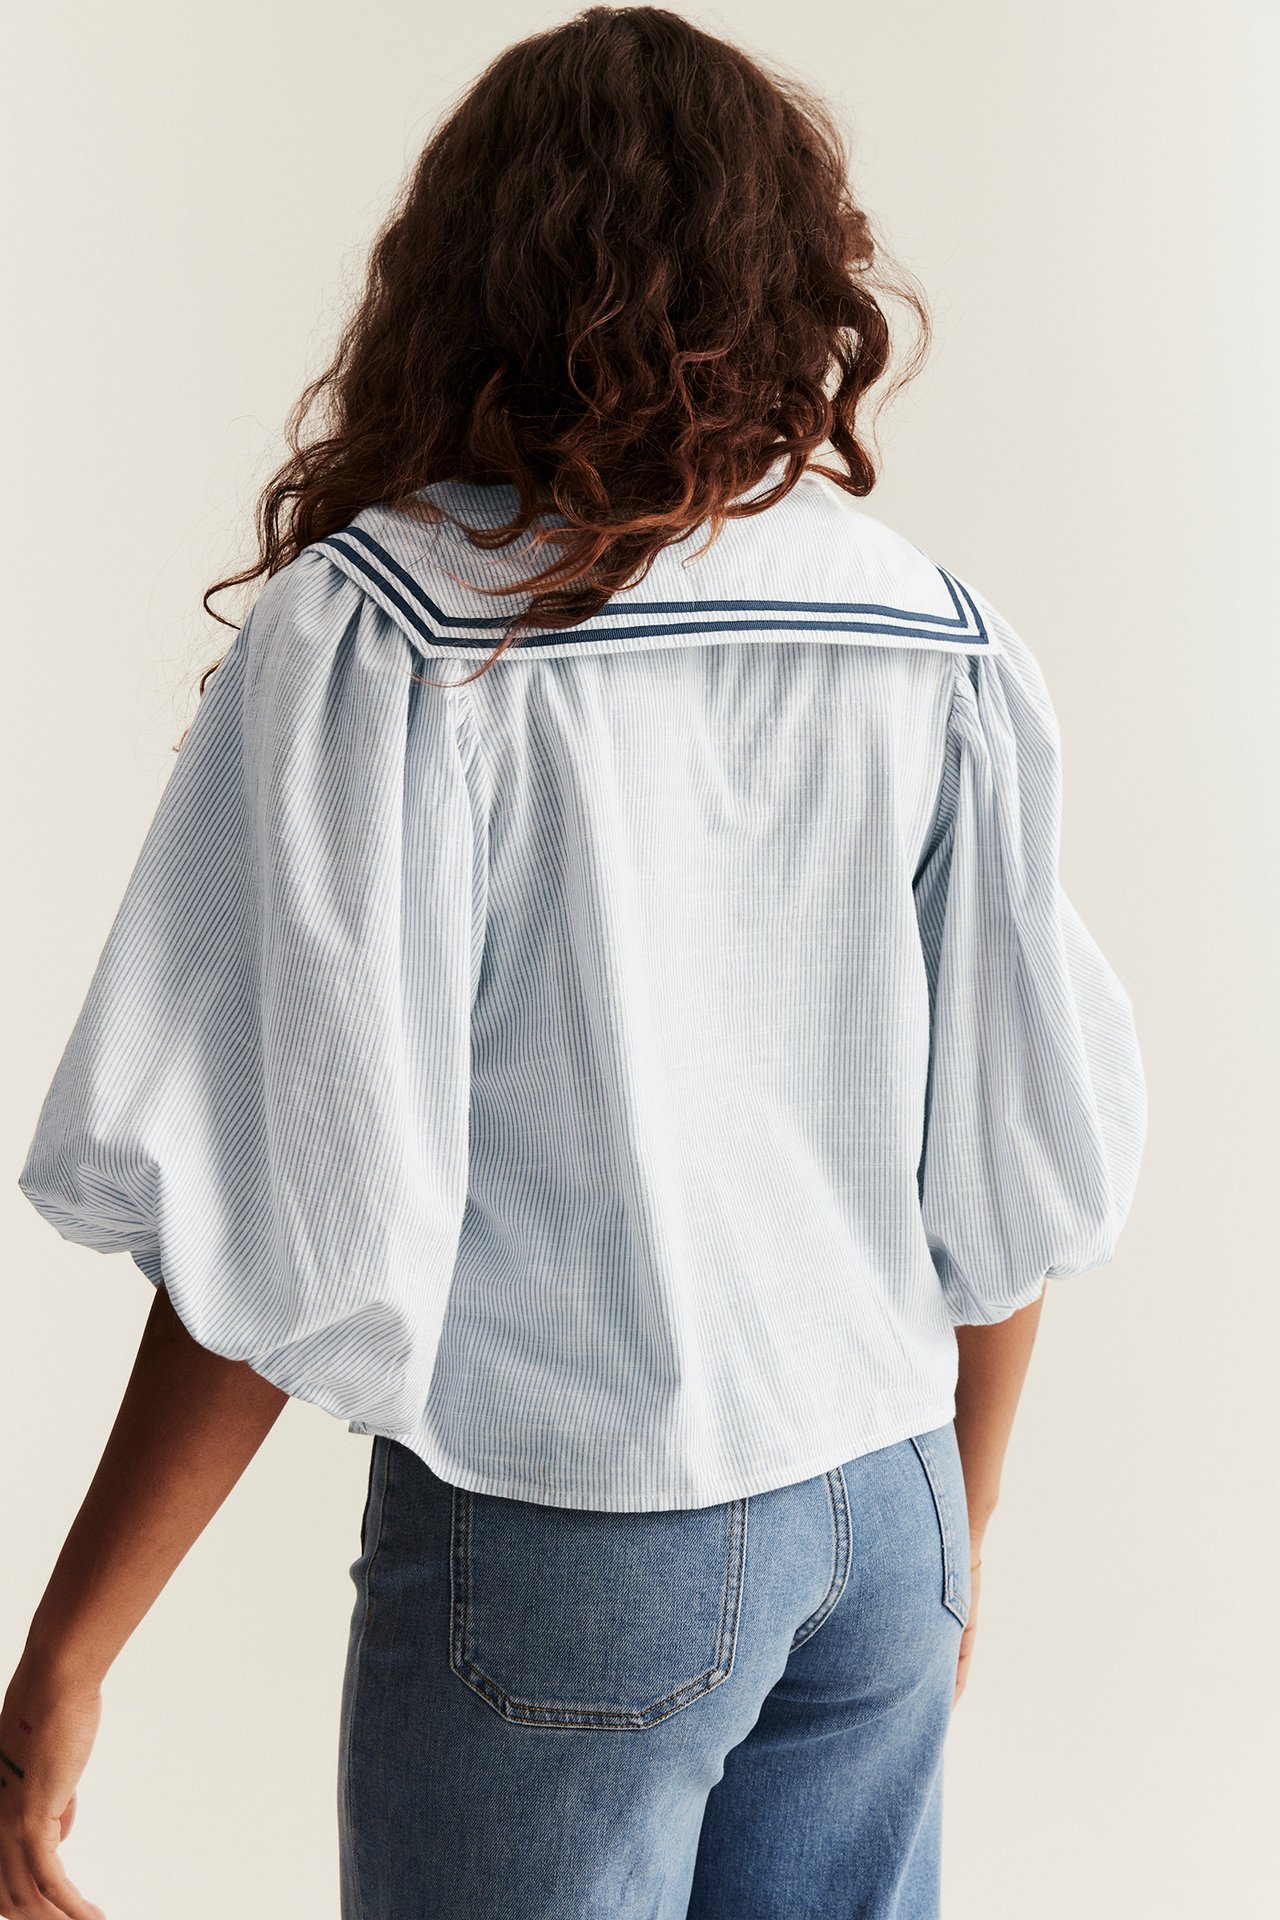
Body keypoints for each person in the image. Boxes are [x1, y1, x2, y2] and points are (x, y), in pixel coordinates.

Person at [1, 8, 1147, 1918]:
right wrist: (958, 1529)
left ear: (461, 273)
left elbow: (281, 1220)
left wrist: (65, 1661)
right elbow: (1013, 1164)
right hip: (889, 1497)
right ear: (800, 277)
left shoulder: (390, 629)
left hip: (580, 1526)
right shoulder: (931, 631)